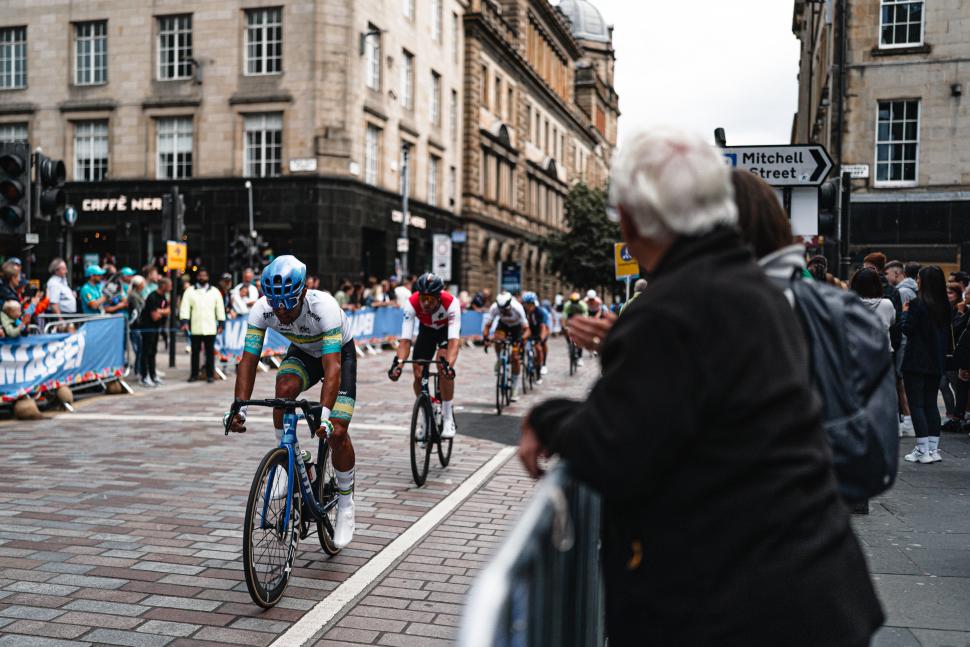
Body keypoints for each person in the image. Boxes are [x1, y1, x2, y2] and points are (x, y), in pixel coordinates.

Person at [519, 128, 882, 647]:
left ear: (631, 218)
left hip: (736, 609)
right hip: (816, 589)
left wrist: (545, 417)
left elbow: (613, 445)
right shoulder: (756, 289)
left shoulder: (671, 309)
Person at [225, 255, 358, 549]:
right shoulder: (262, 308)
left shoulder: (324, 308)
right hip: (302, 353)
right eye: (276, 303)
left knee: (336, 430)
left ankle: (346, 504)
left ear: (302, 293)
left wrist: (324, 414)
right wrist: (240, 408)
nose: (281, 311)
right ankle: (287, 464)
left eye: (288, 302)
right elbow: (248, 360)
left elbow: (332, 368)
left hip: (337, 355)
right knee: (283, 389)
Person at [388, 273, 461, 438]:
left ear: (438, 297)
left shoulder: (451, 303)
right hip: (427, 331)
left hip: (445, 333)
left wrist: (448, 365)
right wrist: (397, 364)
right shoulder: (412, 303)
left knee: (442, 367)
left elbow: (454, 342)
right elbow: (405, 341)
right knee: (418, 372)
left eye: (430, 299)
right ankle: (425, 415)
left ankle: (448, 416)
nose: (425, 303)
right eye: (423, 298)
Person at [900, 266, 950, 464]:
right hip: (936, 360)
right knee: (931, 404)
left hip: (916, 361)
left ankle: (922, 449)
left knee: (917, 404)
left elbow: (908, 330)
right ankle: (932, 447)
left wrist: (904, 314)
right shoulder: (945, 305)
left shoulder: (917, 304)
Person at [179, 268, 226, 383]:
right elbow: (184, 307)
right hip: (196, 327)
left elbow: (220, 308)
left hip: (210, 328)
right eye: (200, 275)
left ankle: (210, 375)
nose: (202, 277)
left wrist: (221, 323)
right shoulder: (190, 291)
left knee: (210, 353)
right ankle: (194, 374)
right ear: (197, 277)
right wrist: (184, 322)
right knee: (195, 353)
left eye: (204, 275)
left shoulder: (215, 291)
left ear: (208, 277)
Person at [482, 292, 530, 400]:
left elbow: (527, 329)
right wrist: (485, 338)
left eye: (506, 310)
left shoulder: (518, 308)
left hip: (516, 328)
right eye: (502, 310)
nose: (504, 312)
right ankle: (500, 359)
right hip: (503, 326)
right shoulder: (494, 307)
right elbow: (487, 326)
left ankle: (514, 388)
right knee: (497, 339)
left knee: (515, 358)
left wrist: (522, 339)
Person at [941, 282, 969, 432]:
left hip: (956, 354)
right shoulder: (947, 309)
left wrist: (959, 313)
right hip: (947, 352)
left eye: (951, 293)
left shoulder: (962, 310)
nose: (948, 295)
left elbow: (956, 329)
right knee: (943, 384)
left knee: (956, 385)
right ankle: (952, 414)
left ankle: (959, 415)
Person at [136, 278, 172, 387]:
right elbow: (155, 316)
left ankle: (153, 375)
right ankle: (144, 376)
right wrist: (163, 312)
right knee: (146, 352)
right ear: (163, 286)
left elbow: (169, 310)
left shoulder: (163, 297)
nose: (171, 287)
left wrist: (161, 311)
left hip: (156, 328)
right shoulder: (152, 297)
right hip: (148, 328)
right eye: (169, 285)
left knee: (153, 352)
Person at [850, 268, 896, 346]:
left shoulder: (850, 304)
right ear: (878, 284)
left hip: (857, 348)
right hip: (882, 350)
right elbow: (892, 322)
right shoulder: (887, 304)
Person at [521, 292, 549, 379]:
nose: (527, 306)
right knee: (522, 342)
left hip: (540, 330)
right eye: (525, 304)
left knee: (539, 348)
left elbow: (543, 327)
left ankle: (540, 368)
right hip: (530, 331)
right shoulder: (523, 311)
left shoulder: (540, 312)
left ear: (533, 304)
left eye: (529, 304)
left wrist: (541, 338)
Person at [127, 276, 146, 379]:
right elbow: (135, 312)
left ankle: (139, 369)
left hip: (139, 326)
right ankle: (138, 370)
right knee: (139, 350)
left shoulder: (138, 294)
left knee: (140, 349)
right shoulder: (134, 296)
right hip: (136, 326)